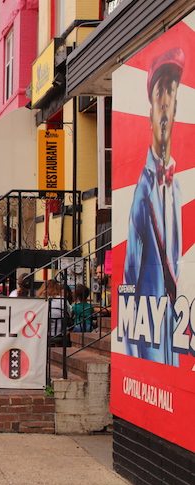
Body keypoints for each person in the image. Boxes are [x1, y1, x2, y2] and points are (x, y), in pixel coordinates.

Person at [123, 47, 184, 365]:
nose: (165, 100)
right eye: (160, 89)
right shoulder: (141, 192)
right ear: (149, 107)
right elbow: (129, 285)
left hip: (173, 348)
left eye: (171, 90)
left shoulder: (178, 187)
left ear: (176, 104)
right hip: (150, 352)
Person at [37, 279, 71, 345]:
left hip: (43, 334)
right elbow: (68, 317)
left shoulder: (41, 301)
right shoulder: (63, 300)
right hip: (60, 333)